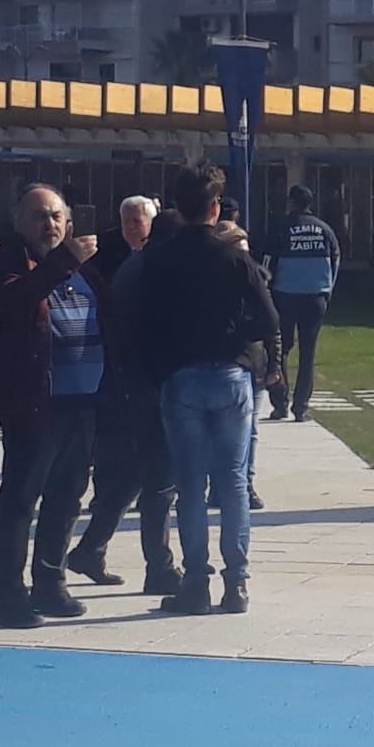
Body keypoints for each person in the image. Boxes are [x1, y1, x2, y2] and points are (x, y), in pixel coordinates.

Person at [136, 165, 280, 617]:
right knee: (233, 481)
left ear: (176, 207)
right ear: (216, 208)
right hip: (231, 371)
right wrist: (242, 341)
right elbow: (269, 317)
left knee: (189, 483)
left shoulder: (158, 258)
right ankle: (236, 581)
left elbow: (144, 321)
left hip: (181, 374)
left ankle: (195, 580)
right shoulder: (233, 257)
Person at [0, 185, 109, 627]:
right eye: (40, 216)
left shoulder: (84, 269)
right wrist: (64, 262)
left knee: (66, 495)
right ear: (19, 222)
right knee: (21, 499)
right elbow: (16, 302)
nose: (51, 225)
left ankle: (50, 582)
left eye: (58, 217)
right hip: (36, 404)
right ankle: (6, 593)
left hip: (84, 401)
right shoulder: (10, 264)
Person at [66, 210, 182, 597]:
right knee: (160, 483)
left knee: (127, 479)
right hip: (146, 387)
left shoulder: (133, 269)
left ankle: (89, 551)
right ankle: (160, 568)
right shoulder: (158, 274)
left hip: (119, 388)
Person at [215, 222, 283, 511]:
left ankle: (246, 483)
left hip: (254, 362)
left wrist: (274, 364)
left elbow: (273, 327)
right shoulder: (215, 287)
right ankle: (219, 486)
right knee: (217, 431)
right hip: (225, 362)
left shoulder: (260, 281)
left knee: (249, 430)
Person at [262, 184, 340, 424]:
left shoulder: (281, 228)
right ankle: (301, 407)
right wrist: (327, 292)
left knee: (280, 350)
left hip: (285, 296)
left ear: (291, 203)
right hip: (316, 297)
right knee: (308, 354)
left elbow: (267, 264)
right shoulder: (325, 229)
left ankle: (280, 403)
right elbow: (336, 261)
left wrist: (267, 291)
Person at [92, 195, 157, 283]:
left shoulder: (160, 252)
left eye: (136, 221)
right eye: (126, 221)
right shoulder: (107, 253)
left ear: (151, 221)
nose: (130, 226)